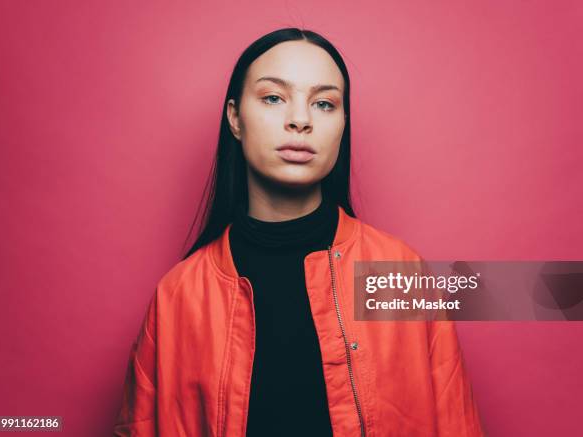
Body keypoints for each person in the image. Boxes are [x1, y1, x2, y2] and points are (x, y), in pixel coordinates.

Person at [113, 27, 485, 437]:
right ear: (235, 118)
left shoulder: (400, 272)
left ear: (343, 124)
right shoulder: (178, 297)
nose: (301, 120)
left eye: (324, 103)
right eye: (273, 97)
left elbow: (456, 423)